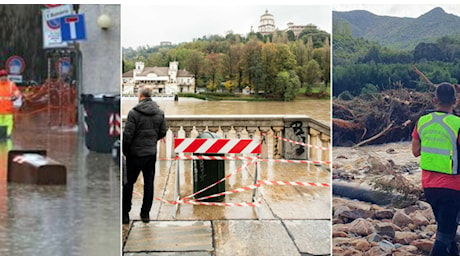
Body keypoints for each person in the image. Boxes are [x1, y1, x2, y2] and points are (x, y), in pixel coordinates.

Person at [411, 82, 460, 256]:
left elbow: (416, 152)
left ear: (434, 100)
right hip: (453, 187)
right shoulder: (457, 124)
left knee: (447, 230)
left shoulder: (422, 122)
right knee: (444, 236)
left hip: (429, 187)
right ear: (455, 101)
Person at [122, 85, 166, 224]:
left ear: (140, 96)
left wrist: (126, 151)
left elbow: (128, 135)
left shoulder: (133, 113)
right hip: (150, 153)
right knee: (149, 183)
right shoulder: (159, 112)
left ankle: (125, 214)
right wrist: (152, 142)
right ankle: (145, 214)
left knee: (128, 183)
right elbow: (163, 132)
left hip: (134, 154)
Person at [0, 69, 21, 138]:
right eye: (2, 76)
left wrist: (15, 97)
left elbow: (17, 92)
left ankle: (7, 137)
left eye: (5, 76)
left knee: (8, 124)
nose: (3, 77)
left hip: (8, 110)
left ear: (7, 76)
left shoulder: (11, 85)